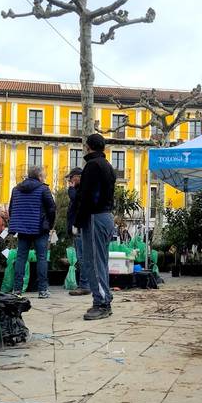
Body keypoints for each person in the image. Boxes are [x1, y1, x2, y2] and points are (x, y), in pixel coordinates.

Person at [74, 133, 116, 320]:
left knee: (93, 261)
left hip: (94, 217)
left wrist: (77, 220)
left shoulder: (92, 166)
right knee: (101, 260)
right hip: (106, 215)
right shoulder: (107, 165)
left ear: (88, 146)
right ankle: (104, 297)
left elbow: (87, 197)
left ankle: (101, 303)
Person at [8, 166, 56, 298]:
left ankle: (17, 290)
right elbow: (52, 208)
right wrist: (49, 224)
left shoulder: (16, 189)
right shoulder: (43, 189)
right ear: (39, 176)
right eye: (43, 175)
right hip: (40, 228)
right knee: (41, 257)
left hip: (22, 229)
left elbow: (11, 209)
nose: (44, 178)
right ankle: (42, 290)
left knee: (21, 258)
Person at [66, 167, 91, 296]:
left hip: (80, 226)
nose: (70, 181)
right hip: (79, 226)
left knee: (82, 258)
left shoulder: (81, 190)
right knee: (81, 257)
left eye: (71, 178)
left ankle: (84, 285)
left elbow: (76, 201)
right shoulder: (81, 189)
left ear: (77, 177)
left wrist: (71, 188)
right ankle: (85, 284)